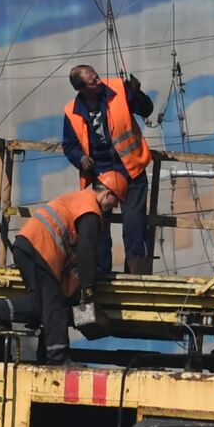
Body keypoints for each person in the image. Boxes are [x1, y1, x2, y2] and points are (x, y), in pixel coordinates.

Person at [0, 173, 126, 364]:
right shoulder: (91, 211)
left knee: (40, 305)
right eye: (115, 201)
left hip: (27, 246)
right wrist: (88, 288)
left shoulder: (79, 200)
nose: (114, 207)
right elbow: (86, 251)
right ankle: (58, 358)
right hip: (40, 249)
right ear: (107, 193)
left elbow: (74, 254)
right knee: (54, 307)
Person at [61, 65, 154, 275]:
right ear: (81, 88)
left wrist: (137, 93)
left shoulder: (119, 89)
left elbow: (146, 109)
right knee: (98, 226)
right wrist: (81, 159)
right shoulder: (72, 112)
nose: (97, 80)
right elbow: (69, 145)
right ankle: (102, 273)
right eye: (92, 80)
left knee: (134, 225)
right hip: (99, 175)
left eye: (96, 76)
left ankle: (137, 274)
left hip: (131, 169)